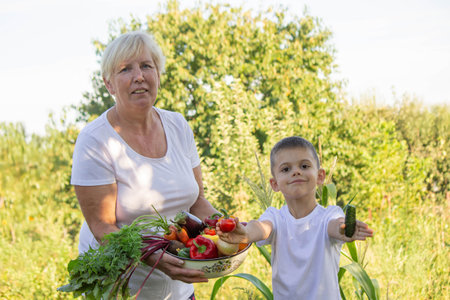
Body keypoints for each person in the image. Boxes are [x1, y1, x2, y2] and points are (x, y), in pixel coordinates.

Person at [71, 31, 218, 299]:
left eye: (146, 66)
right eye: (125, 69)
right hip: (123, 289)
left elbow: (198, 204)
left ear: (158, 75)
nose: (139, 76)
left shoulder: (178, 126)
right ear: (109, 85)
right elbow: (103, 227)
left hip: (180, 288)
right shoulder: (95, 141)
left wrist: (223, 225)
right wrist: (151, 255)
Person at [217, 136, 374, 300]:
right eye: (286, 169)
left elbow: (336, 226)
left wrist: (345, 229)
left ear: (320, 176)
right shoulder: (275, 217)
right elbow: (261, 228)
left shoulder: (330, 215)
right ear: (275, 184)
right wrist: (246, 234)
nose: (296, 172)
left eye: (304, 166)